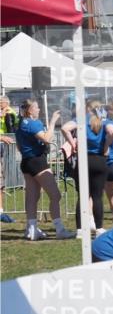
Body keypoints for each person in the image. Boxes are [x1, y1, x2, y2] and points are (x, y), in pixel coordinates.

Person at [15, 99, 73, 240]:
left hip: (27, 161)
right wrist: (53, 122)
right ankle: (59, 229)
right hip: (37, 161)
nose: (39, 109)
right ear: (29, 110)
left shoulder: (20, 124)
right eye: (36, 107)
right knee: (55, 195)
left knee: (32, 197)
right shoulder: (33, 124)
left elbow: (18, 145)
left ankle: (31, 229)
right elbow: (47, 138)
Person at [61, 100, 113, 234]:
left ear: (87, 109)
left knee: (83, 196)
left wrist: (72, 143)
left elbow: (64, 128)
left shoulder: (81, 120)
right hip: (100, 160)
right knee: (97, 196)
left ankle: (80, 229)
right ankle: (99, 228)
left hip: (84, 160)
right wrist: (106, 145)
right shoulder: (104, 121)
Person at [0, 95, 17, 223]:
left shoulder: (10, 113)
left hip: (4, 146)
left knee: (1, 183)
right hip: (2, 142)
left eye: (1, 102)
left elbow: (13, 127)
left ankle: (0, 212)